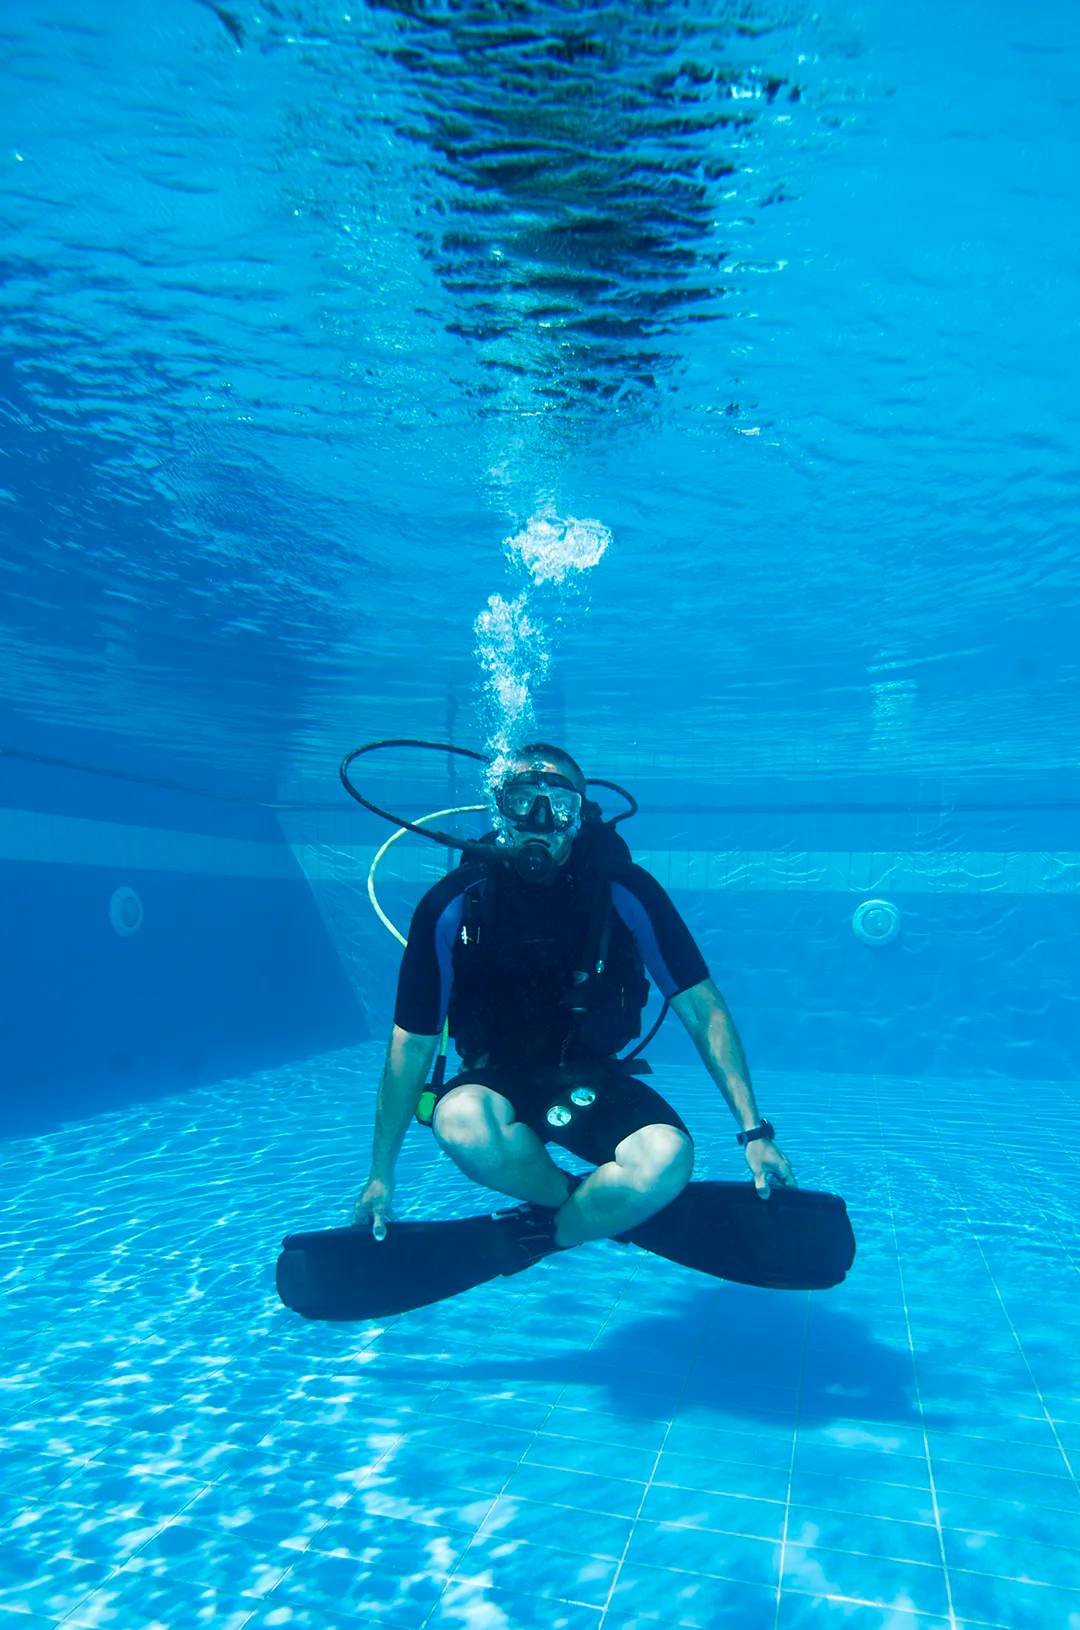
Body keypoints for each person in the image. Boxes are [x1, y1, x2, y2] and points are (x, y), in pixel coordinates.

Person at [354, 743, 796, 1252]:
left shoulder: (624, 890)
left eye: (559, 805)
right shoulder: (452, 903)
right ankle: (586, 1206)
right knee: (458, 1122)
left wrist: (754, 1133)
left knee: (668, 1156)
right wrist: (380, 1174)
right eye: (522, 800)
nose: (540, 819)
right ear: (499, 807)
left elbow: (702, 1007)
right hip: (494, 1078)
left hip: (590, 1077)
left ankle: (550, 1232)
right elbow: (411, 1044)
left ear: (581, 817)